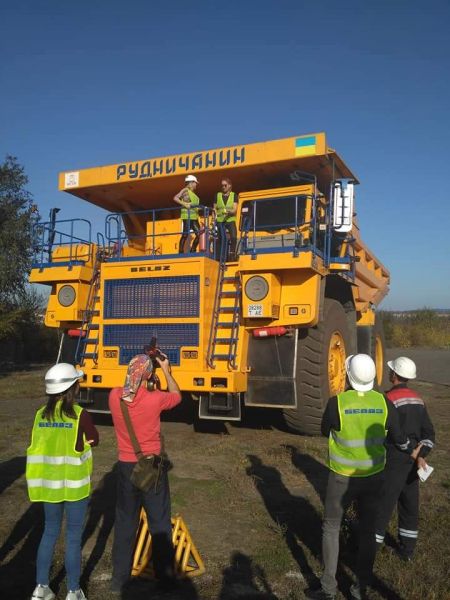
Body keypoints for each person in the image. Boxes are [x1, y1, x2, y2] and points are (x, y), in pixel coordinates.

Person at [305, 354, 420, 600]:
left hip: (342, 478)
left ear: (348, 374)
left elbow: (326, 430)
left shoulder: (337, 403)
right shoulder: (384, 402)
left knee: (332, 528)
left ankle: (328, 588)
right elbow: (397, 436)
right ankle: (361, 589)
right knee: (368, 530)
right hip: (374, 477)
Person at [108, 352, 182, 594]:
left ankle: (118, 581)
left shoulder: (114, 396)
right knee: (159, 522)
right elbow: (177, 396)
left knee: (125, 523)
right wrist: (167, 370)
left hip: (125, 467)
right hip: (151, 468)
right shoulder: (155, 399)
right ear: (149, 376)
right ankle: (167, 580)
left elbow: (127, 389)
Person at [26, 363, 99, 600]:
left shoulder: (39, 415)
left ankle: (41, 588)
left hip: (48, 486)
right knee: (73, 537)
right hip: (75, 488)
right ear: (72, 387)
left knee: (49, 533)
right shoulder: (80, 414)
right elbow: (93, 439)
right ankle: (73, 591)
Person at [375, 357, 435, 561]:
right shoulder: (419, 400)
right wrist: (421, 454)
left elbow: (388, 432)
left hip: (394, 459)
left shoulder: (387, 400)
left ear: (394, 375)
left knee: (384, 503)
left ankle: (371, 547)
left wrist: (408, 449)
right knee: (409, 505)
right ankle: (407, 550)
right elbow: (429, 433)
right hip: (413, 462)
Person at [173, 174, 201, 253]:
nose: (196, 185)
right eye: (195, 183)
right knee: (185, 235)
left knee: (199, 234)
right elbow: (175, 198)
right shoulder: (185, 190)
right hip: (187, 216)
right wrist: (184, 204)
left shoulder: (195, 196)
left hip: (194, 217)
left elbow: (194, 206)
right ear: (191, 183)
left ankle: (193, 249)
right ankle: (180, 251)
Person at [213, 177, 238, 261]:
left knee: (234, 237)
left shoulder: (234, 195)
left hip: (230, 219)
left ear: (230, 186)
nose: (223, 187)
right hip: (220, 221)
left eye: (225, 185)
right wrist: (214, 218)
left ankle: (232, 254)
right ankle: (221, 258)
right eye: (222, 185)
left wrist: (228, 212)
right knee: (221, 239)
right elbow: (214, 209)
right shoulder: (217, 195)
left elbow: (234, 209)